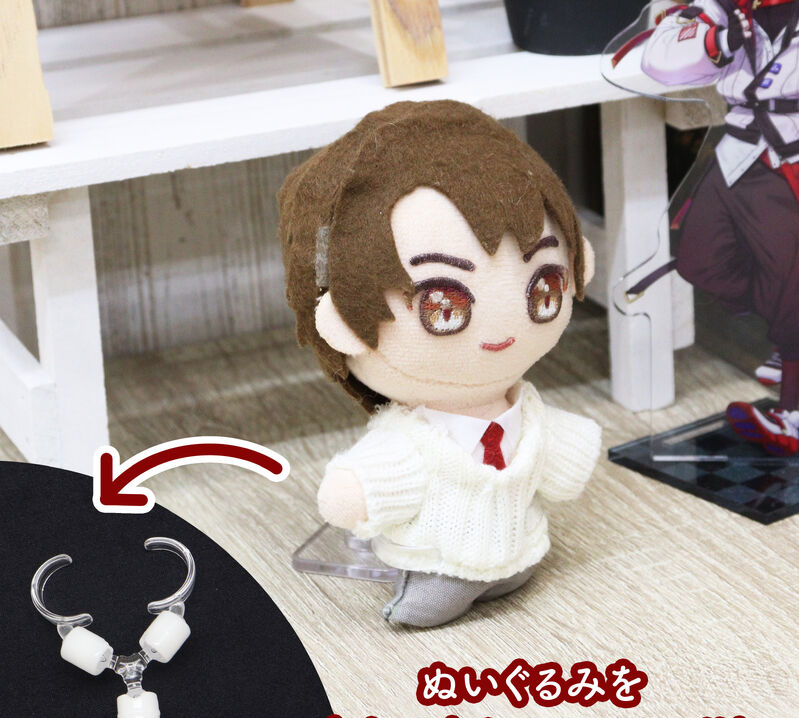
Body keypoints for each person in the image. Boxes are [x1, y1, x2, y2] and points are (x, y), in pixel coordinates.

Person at [279, 100, 601, 627]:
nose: (502, 330)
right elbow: (375, 480)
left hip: (525, 549)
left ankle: (507, 573)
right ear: (344, 322)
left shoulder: (527, 414)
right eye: (443, 306)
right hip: (441, 563)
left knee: (520, 565)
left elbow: (559, 461)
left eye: (543, 287)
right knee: (432, 597)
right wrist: (357, 492)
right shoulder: (417, 439)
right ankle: (435, 598)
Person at [640, 0, 799, 455]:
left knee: (792, 282)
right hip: (739, 148)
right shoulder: (723, 8)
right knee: (698, 259)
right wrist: (720, 40)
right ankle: (781, 328)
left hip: (789, 153)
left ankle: (792, 412)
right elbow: (658, 58)